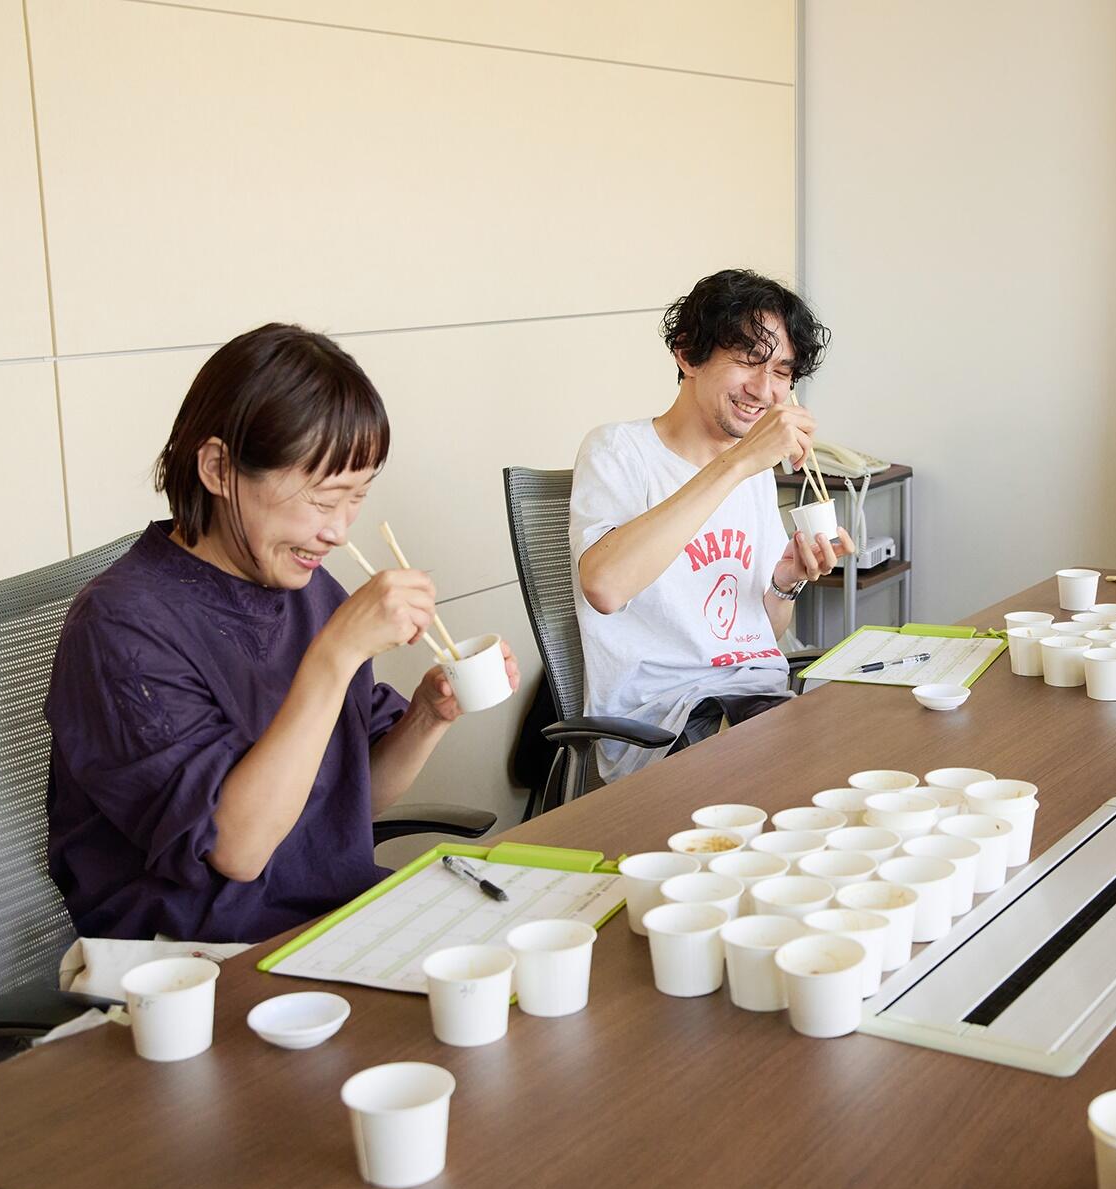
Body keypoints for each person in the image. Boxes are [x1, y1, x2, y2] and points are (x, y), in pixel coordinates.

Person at [45, 323, 518, 943]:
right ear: (218, 468)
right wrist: (335, 654)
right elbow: (236, 851)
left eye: (356, 499)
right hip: (201, 963)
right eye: (323, 501)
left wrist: (428, 716)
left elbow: (353, 801)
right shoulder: (121, 630)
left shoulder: (308, 588)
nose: (340, 532)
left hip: (332, 926)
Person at [570, 269, 853, 783]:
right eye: (748, 361)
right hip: (666, 721)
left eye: (783, 371)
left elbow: (763, 633)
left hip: (757, 698)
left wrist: (785, 582)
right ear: (687, 354)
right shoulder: (619, 451)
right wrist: (739, 463)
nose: (766, 391)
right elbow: (604, 588)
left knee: (880, 729)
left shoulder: (753, 470)